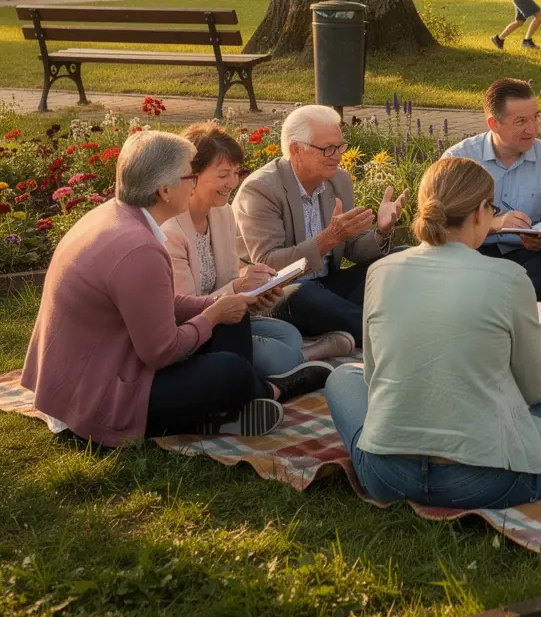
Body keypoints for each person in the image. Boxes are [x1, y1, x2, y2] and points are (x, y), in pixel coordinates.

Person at [324, 156, 541, 509]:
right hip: (489, 479)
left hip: (388, 474)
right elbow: (536, 389)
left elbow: (372, 375)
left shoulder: (381, 271)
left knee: (341, 379)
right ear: (481, 212)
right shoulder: (509, 278)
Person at [21, 131, 331, 446]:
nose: (194, 184)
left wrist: (217, 308)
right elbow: (161, 352)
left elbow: (163, 306)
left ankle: (232, 404)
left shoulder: (114, 216)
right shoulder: (139, 248)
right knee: (231, 371)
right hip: (96, 400)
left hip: (99, 367)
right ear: (165, 190)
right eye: (190, 176)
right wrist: (210, 317)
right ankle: (267, 393)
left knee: (233, 318)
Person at [163, 123, 353, 369]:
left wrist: (257, 294)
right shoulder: (171, 230)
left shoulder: (222, 214)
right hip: (194, 330)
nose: (232, 183)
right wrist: (239, 287)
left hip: (230, 319)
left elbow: (230, 282)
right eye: (223, 175)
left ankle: (294, 359)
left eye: (235, 173)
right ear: (191, 175)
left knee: (289, 336)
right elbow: (188, 312)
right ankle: (306, 358)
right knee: (272, 352)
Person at [233, 105, 408, 346]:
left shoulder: (339, 180)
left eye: (340, 146)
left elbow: (352, 248)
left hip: (329, 286)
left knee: (401, 260)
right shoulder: (262, 189)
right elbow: (269, 264)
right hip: (280, 293)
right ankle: (390, 339)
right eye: (327, 148)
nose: (337, 155)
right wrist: (330, 238)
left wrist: (381, 231)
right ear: (297, 150)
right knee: (306, 296)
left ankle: (346, 325)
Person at [443, 79, 541, 301]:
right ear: (494, 124)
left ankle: (489, 301)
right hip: (474, 253)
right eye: (521, 121)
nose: (532, 128)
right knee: (449, 259)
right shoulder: (458, 158)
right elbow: (442, 227)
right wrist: (495, 224)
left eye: (536, 117)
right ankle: (525, 298)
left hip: (527, 257)